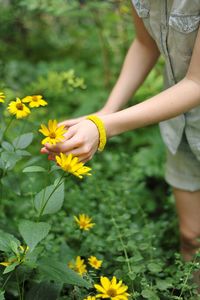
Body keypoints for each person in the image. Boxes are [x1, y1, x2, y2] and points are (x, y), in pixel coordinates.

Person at [41, 1, 200, 270]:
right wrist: (103, 115)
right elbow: (144, 44)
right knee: (191, 236)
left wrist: (104, 127)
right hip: (182, 127)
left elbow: (196, 83)